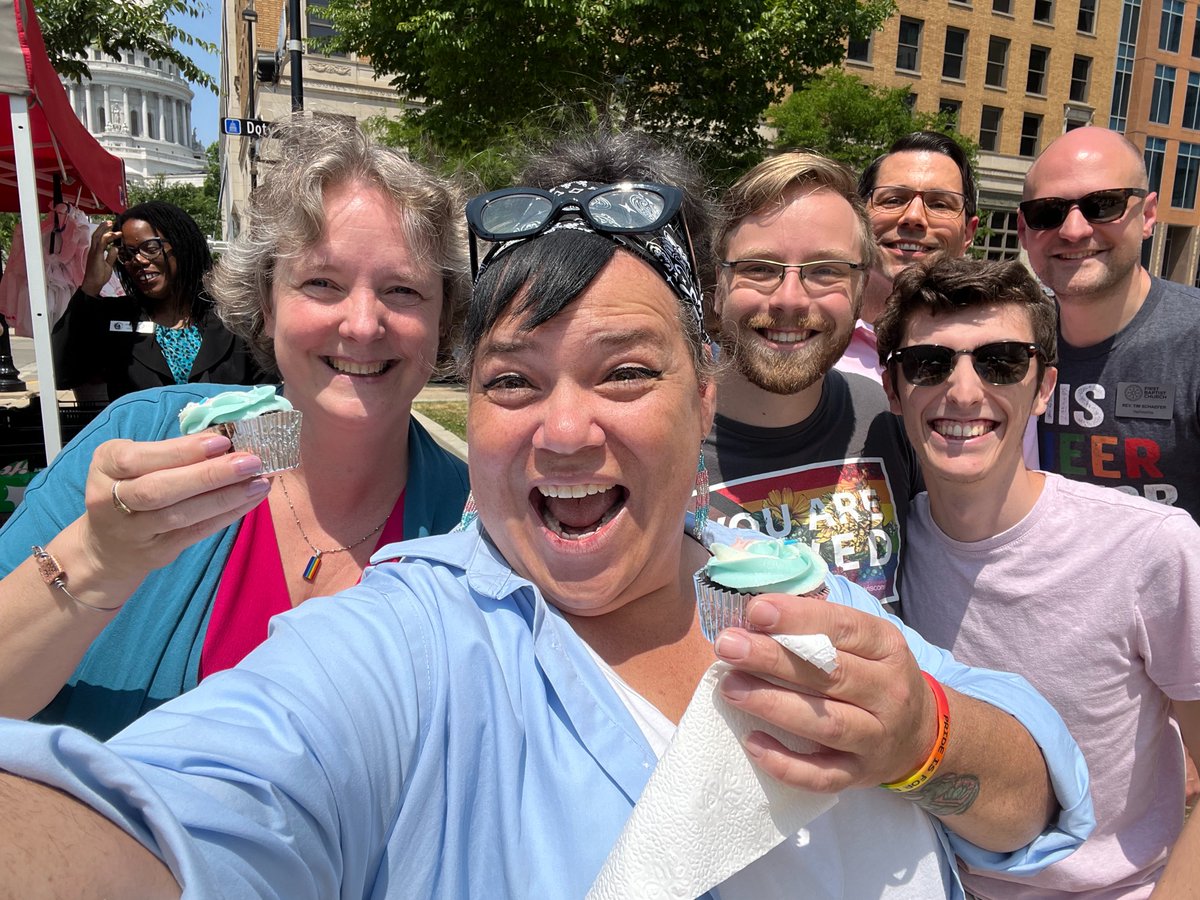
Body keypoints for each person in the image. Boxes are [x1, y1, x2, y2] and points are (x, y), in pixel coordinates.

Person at [0, 137, 1093, 897]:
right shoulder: (414, 629)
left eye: (624, 374)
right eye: (515, 384)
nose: (563, 432)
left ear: (704, 396)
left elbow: (1034, 792)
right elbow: (179, 807)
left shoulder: (786, 588)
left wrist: (918, 737)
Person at [0, 116, 470, 739]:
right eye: (322, 282)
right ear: (268, 305)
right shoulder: (144, 436)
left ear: (443, 321)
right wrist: (96, 556)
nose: (362, 324)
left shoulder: (476, 521)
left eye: (403, 289)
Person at [878, 256, 1200, 897]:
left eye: (1000, 362)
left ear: (1045, 386)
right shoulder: (885, 548)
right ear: (893, 389)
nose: (964, 392)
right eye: (929, 364)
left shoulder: (1152, 548)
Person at [705, 151, 919, 610]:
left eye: (826, 271)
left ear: (861, 292)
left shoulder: (890, 417)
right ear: (717, 288)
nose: (790, 299)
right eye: (759, 268)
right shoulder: (653, 437)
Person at [1020, 126, 1200, 522]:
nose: (1074, 230)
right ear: (1023, 231)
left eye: (1103, 205)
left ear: (1148, 215)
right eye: (1048, 212)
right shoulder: (1009, 345)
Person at [52, 200, 269, 401]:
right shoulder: (116, 318)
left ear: (181, 245)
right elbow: (63, 373)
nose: (138, 261)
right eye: (127, 255)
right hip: (146, 442)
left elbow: (267, 394)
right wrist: (90, 286)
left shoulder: (233, 317)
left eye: (151, 248)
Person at [835, 131, 980, 382]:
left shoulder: (1001, 355)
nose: (913, 217)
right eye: (893, 199)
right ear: (858, 218)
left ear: (968, 233)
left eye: (939, 204)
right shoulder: (806, 336)